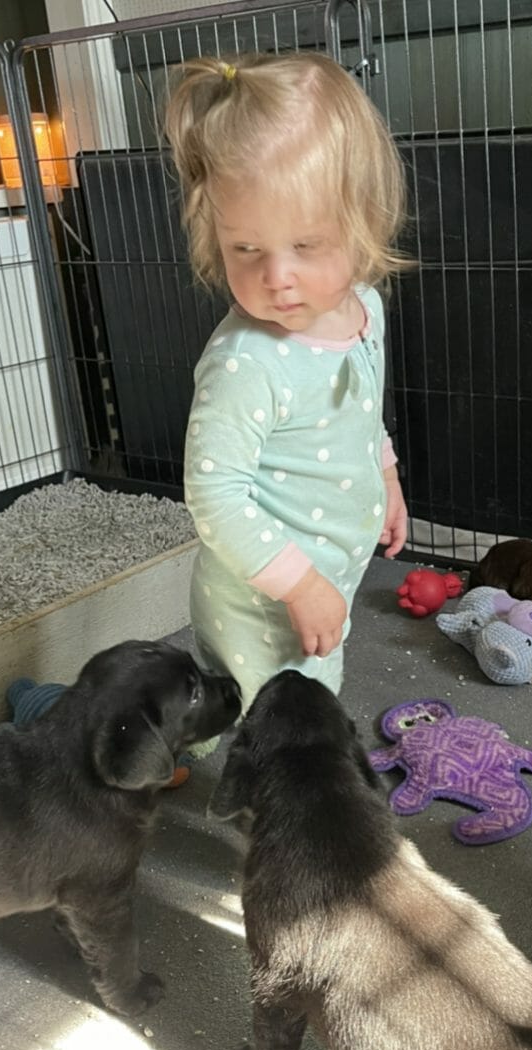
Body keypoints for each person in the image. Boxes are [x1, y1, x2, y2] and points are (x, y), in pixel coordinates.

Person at [164, 51, 409, 721]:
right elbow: (213, 492)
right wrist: (300, 586)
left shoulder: (367, 307)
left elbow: (361, 411)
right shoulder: (247, 361)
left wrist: (384, 478)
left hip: (326, 573)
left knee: (285, 701)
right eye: (247, 250)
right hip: (258, 598)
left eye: (305, 244)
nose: (277, 277)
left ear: (362, 219)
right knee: (277, 724)